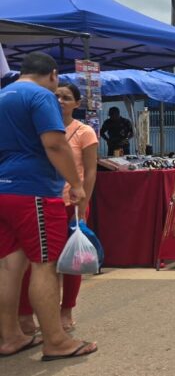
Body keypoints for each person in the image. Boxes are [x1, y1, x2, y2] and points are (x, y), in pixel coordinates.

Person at [0, 53, 97, 360]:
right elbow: (55, 143)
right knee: (45, 264)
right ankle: (56, 340)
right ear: (53, 74)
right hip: (34, 191)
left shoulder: (3, 95)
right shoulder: (41, 96)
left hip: (4, 190)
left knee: (9, 266)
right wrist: (76, 184)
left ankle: (10, 336)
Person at [18, 82, 97, 335]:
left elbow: (90, 171)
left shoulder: (84, 132)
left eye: (66, 98)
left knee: (73, 260)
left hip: (72, 204)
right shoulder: (38, 128)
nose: (60, 101)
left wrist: (83, 204)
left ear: (77, 104)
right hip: (41, 201)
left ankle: (66, 310)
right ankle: (25, 313)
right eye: (56, 97)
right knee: (34, 261)